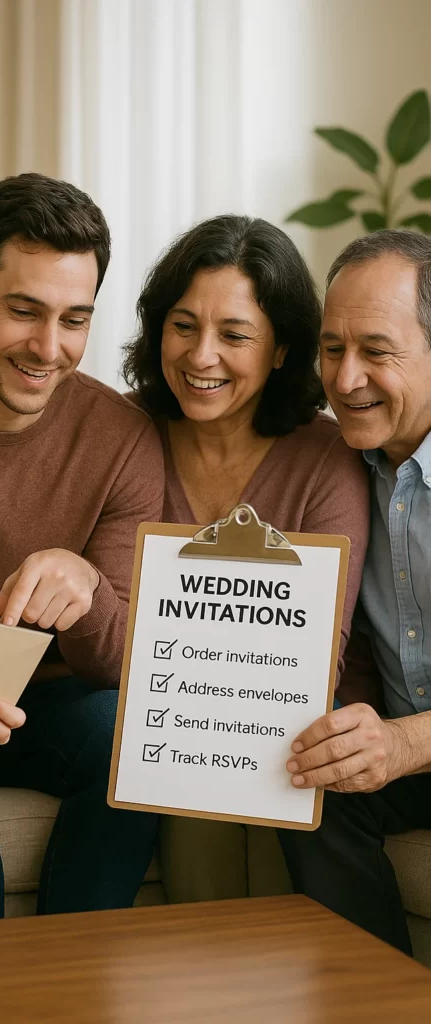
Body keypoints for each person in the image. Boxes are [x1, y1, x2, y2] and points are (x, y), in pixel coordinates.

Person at [0, 172, 165, 924]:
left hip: (51, 696)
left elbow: (119, 663)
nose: (49, 348)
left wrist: (85, 588)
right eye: (23, 311)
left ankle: (74, 979)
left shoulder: (121, 438)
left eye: (74, 319)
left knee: (132, 730)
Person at [122, 214, 370, 902]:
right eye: (182, 325)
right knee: (189, 769)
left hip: (280, 714)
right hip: (157, 715)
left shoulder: (325, 457)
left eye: (233, 335)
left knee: (248, 761)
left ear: (282, 350)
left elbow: (318, 651)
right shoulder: (123, 435)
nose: (201, 356)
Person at [279, 229, 431, 956]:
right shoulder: (336, 465)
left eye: (375, 350)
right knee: (312, 779)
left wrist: (400, 742)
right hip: (409, 760)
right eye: (330, 348)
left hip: (415, 745)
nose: (343, 379)